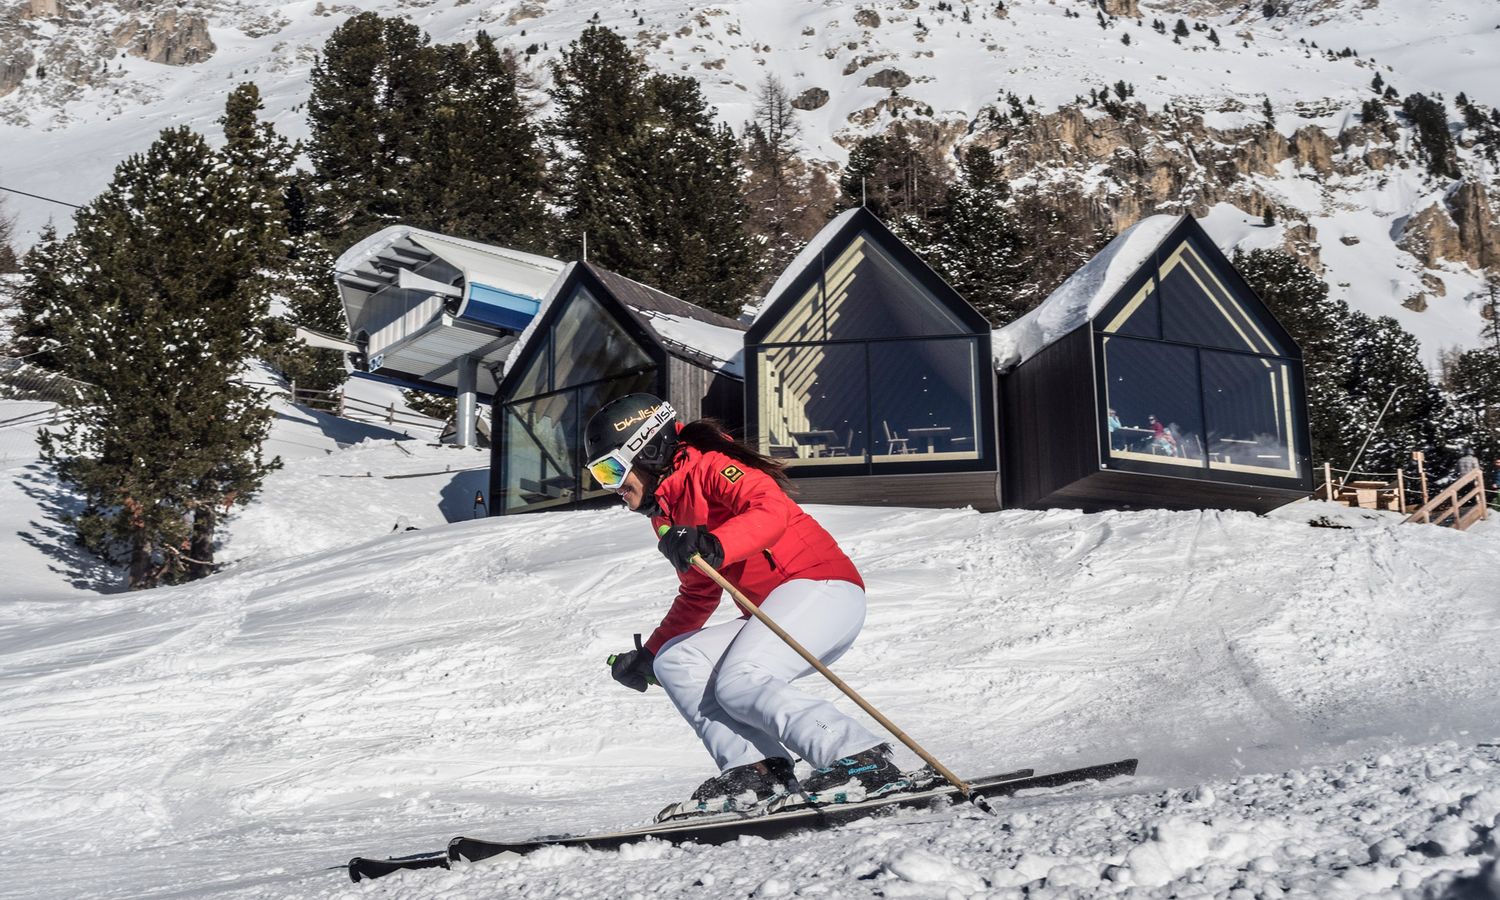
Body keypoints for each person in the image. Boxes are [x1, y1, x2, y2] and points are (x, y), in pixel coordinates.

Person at [584, 393, 903, 821]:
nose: (612, 487)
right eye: (599, 475)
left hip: (822, 588)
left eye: (612, 470)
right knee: (679, 660)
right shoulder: (667, 515)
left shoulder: (712, 467)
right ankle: (756, 770)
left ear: (648, 449)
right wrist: (651, 654)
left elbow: (769, 509)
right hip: (772, 610)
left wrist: (718, 542)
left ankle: (859, 758)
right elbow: (699, 592)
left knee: (740, 681)